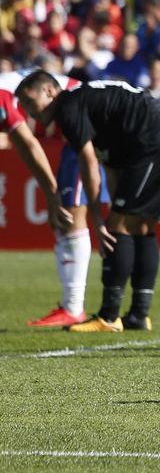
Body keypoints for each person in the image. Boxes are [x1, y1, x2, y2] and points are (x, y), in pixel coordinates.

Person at [16, 72, 160, 333]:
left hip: (155, 143)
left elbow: (88, 162)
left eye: (30, 101)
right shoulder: (93, 105)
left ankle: (108, 317)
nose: (28, 111)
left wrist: (99, 219)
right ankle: (138, 315)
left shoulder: (68, 107)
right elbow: (111, 167)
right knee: (142, 227)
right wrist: (112, 209)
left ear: (50, 91)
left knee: (118, 227)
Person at [1, 71, 97, 327]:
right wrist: (50, 192)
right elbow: (22, 145)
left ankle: (74, 308)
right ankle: (70, 305)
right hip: (76, 125)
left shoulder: (2, 97)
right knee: (61, 219)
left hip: (82, 124)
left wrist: (52, 194)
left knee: (70, 215)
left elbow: (30, 145)